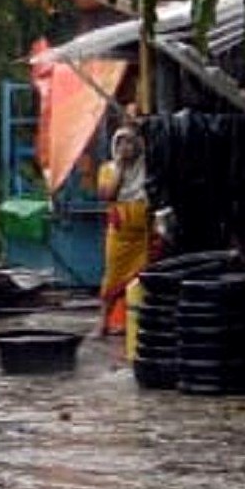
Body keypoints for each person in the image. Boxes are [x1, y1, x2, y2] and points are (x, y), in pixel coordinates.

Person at [96, 123, 152, 344]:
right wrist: (119, 167)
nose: (125, 146)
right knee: (113, 277)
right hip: (120, 235)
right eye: (120, 142)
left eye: (130, 141)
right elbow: (108, 195)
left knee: (145, 278)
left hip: (145, 234)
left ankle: (138, 324)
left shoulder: (147, 168)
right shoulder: (108, 169)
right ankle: (103, 323)